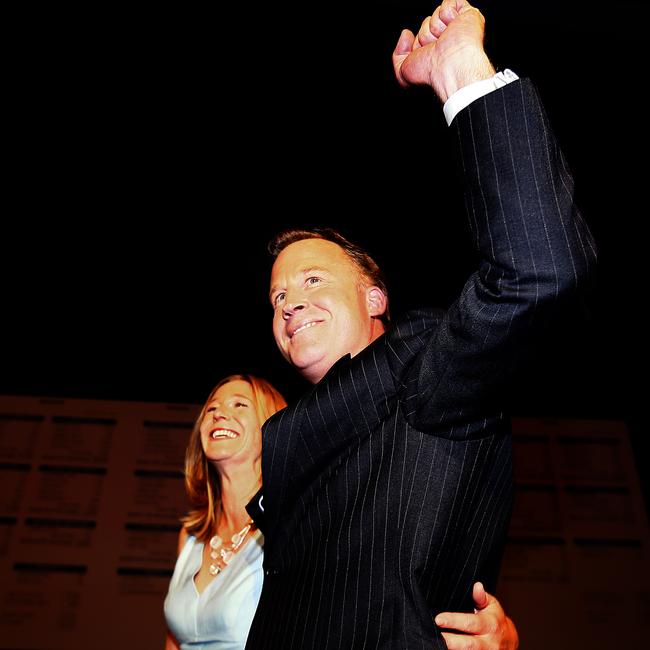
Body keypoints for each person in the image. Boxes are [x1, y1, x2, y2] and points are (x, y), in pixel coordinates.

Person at [244, 1, 596, 649]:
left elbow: (538, 268)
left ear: (376, 299)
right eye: (276, 297)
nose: (288, 303)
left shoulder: (421, 373)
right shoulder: (285, 446)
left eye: (313, 280)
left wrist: (459, 69)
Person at [163, 374, 287, 649]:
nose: (220, 415)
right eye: (212, 409)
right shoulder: (190, 537)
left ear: (272, 424)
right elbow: (173, 642)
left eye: (239, 405)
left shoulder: (287, 527)